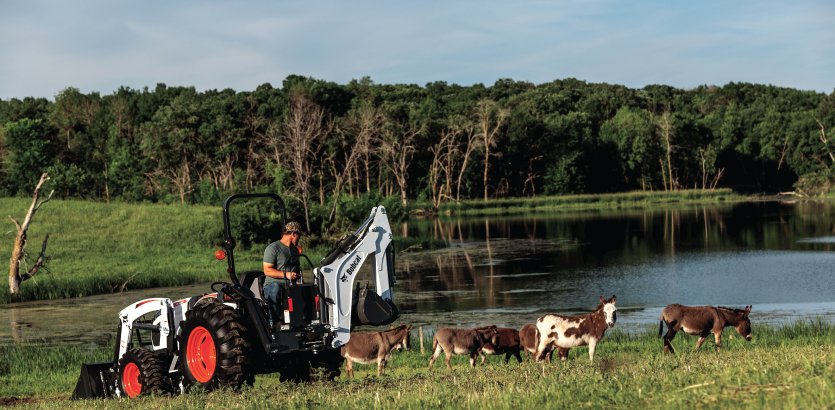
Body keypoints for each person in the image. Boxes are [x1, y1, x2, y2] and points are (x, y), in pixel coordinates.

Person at [263, 221, 303, 323]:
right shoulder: (273, 248)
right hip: (273, 285)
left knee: (306, 290)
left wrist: (297, 276)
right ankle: (274, 322)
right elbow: (267, 270)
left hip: (290, 285)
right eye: (299, 235)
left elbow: (296, 269)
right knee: (275, 288)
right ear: (293, 234)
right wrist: (287, 275)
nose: (299, 238)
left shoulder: (294, 250)